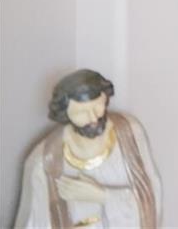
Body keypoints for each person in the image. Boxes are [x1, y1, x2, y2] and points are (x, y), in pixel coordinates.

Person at [15, 69, 161, 228]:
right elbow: (35, 222)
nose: (93, 118)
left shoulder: (129, 135)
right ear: (64, 113)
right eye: (81, 113)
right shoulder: (44, 161)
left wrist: (101, 195)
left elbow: (151, 198)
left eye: (98, 107)